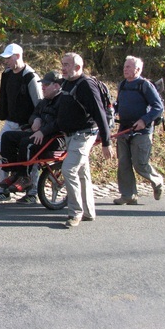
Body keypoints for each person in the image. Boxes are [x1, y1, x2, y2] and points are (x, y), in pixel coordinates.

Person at [57, 53, 113, 228]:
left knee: (69, 169)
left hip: (84, 135)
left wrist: (106, 142)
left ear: (78, 67)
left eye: (67, 65)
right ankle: (89, 212)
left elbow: (100, 114)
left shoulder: (86, 85)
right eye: (62, 64)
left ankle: (75, 213)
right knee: (82, 173)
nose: (63, 68)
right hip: (70, 136)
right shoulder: (67, 82)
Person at [0, 70, 66, 204]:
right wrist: (35, 120)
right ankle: (15, 173)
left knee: (26, 143)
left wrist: (43, 131)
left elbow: (60, 122)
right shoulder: (44, 102)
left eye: (46, 84)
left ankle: (25, 177)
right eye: (43, 84)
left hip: (55, 138)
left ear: (57, 86)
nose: (43, 87)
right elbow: (33, 115)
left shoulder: (63, 101)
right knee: (7, 137)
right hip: (39, 135)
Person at [0, 43, 43, 202]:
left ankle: (32, 193)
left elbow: (39, 104)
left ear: (18, 56)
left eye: (8, 58)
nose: (6, 62)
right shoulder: (8, 74)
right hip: (11, 123)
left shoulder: (31, 77)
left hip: (28, 125)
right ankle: (3, 189)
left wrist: (36, 123)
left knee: (31, 158)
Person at [113, 56, 165, 205]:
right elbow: (119, 104)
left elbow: (158, 107)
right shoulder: (122, 85)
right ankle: (128, 195)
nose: (125, 69)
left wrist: (144, 120)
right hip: (124, 129)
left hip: (142, 132)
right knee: (123, 163)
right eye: (124, 66)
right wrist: (112, 110)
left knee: (140, 164)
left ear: (137, 69)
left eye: (128, 66)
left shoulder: (145, 85)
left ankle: (157, 181)